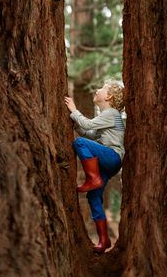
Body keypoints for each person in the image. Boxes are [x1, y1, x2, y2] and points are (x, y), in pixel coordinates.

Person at [65, 79, 125, 253]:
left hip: (112, 157)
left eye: (102, 88)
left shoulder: (111, 113)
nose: (97, 90)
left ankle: (93, 178)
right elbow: (91, 133)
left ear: (109, 97)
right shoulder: (105, 116)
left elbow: (88, 125)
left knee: (80, 144)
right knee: (93, 197)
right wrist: (76, 125)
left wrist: (74, 111)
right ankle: (104, 240)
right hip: (108, 163)